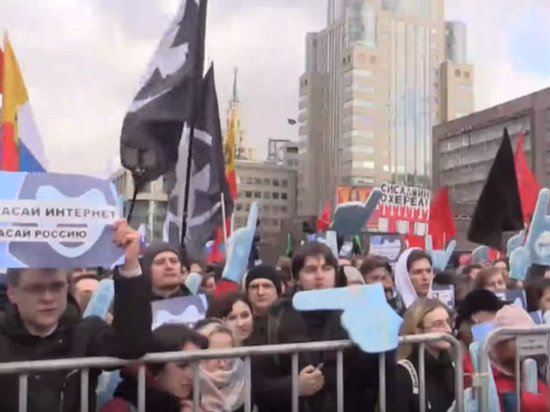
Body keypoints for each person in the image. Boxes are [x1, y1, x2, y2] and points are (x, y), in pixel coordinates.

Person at [0, 220, 153, 412]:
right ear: (12, 293)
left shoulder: (86, 333)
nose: (48, 298)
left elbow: (134, 344)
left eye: (56, 287)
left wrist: (129, 264)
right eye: (35, 289)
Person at [249, 243, 396, 412]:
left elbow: (374, 374)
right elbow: (259, 382)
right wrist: (294, 386)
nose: (319, 276)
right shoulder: (277, 316)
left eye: (326, 268)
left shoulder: (357, 311)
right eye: (310, 270)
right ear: (297, 277)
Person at [102, 324, 208, 412]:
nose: (191, 375)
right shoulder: (119, 408)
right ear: (156, 366)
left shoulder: (195, 406)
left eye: (196, 366)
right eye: (182, 365)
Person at [395, 298, 455, 412]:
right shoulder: (403, 371)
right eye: (438, 325)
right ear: (418, 332)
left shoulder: (452, 366)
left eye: (448, 322)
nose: (448, 330)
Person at [489, 305, 549, 410]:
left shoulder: (540, 377)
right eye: (519, 337)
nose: (528, 344)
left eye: (530, 337)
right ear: (499, 344)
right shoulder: (489, 382)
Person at [196, 321, 248, 412]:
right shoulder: (188, 385)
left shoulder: (246, 378)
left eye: (227, 355)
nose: (222, 363)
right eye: (214, 355)